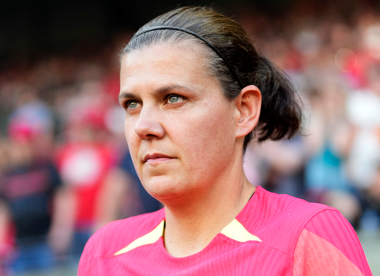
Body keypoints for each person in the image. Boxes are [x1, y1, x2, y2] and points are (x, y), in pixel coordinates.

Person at [78, 6, 372, 275]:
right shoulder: (103, 253)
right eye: (132, 104)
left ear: (243, 111)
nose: (143, 126)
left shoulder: (306, 236)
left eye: (173, 98)